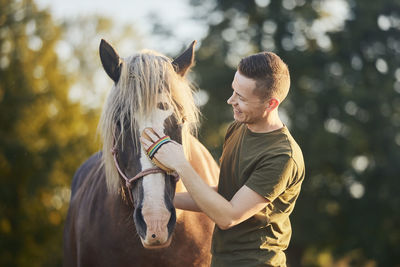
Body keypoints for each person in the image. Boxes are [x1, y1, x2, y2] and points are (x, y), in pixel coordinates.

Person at [140, 52, 305, 267]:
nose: (231, 101)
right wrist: (163, 198)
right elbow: (224, 196)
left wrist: (180, 163)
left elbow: (228, 216)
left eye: (242, 98)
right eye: (234, 90)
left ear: (271, 104)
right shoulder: (238, 128)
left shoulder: (282, 156)